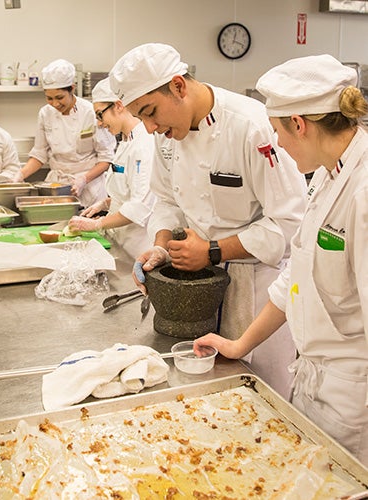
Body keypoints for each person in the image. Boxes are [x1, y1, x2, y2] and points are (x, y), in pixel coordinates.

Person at [194, 54, 368, 465]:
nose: (280, 147)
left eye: (278, 133)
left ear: (299, 125)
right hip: (317, 386)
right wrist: (239, 345)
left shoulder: (363, 194)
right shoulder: (328, 173)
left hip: (355, 398)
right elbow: (298, 276)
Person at [109, 43, 308, 399]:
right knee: (209, 393)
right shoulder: (167, 135)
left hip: (257, 289)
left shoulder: (252, 127)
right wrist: (160, 246)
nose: (151, 128)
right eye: (142, 118)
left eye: (151, 112)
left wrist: (213, 251)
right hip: (200, 289)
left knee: (261, 392)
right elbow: (166, 199)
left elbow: (289, 223)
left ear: (179, 86)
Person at [68, 77, 156, 258]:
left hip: (139, 247)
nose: (100, 123)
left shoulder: (144, 145)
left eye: (100, 115)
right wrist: (106, 203)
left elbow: (140, 205)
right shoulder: (125, 141)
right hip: (122, 240)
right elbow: (127, 189)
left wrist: (97, 225)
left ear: (118, 106)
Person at [15, 59, 115, 207]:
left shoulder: (90, 112)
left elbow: (106, 158)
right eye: (49, 98)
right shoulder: (45, 113)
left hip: (90, 187)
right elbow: (39, 154)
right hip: (57, 186)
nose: (55, 104)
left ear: (72, 89)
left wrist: (84, 179)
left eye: (60, 97)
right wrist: (20, 175)